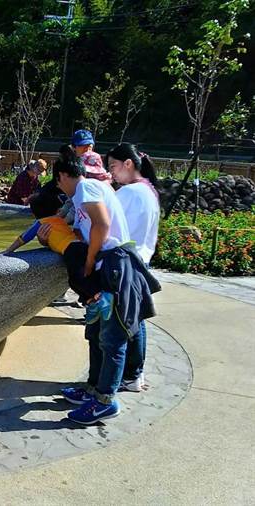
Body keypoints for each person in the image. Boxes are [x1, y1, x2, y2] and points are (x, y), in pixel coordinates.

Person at [45, 157, 156, 425]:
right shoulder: (92, 189)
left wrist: (89, 259)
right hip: (108, 268)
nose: (61, 190)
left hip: (115, 269)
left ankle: (105, 401)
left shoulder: (87, 188)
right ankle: (92, 389)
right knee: (96, 333)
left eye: (59, 183)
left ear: (62, 176)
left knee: (112, 338)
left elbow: (103, 224)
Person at [107, 142, 161, 393]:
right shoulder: (149, 190)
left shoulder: (129, 193)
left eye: (114, 166)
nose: (111, 173)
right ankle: (135, 375)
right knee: (136, 321)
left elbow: (107, 225)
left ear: (128, 164)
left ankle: (122, 379)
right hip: (141, 262)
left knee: (123, 325)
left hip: (126, 264)